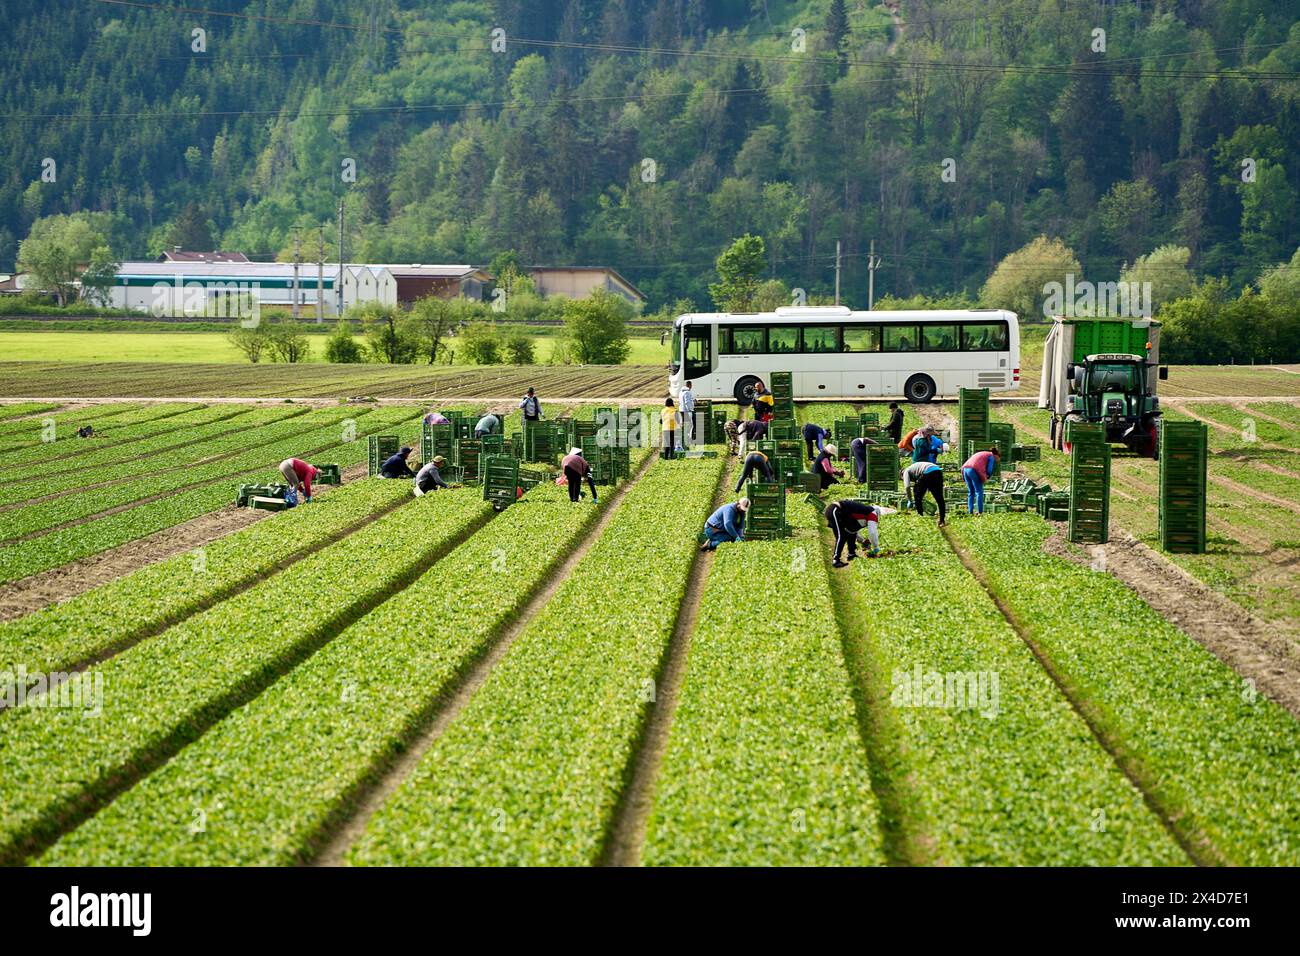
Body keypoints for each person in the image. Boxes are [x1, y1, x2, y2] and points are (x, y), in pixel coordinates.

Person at [824, 498, 880, 567]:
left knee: (851, 533)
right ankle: (836, 560)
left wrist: (863, 541)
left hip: (841, 514)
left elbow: (853, 531)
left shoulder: (862, 513)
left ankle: (851, 554)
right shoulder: (872, 513)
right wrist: (875, 547)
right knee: (841, 536)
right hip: (834, 510)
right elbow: (872, 533)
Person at [903, 460, 947, 525]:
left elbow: (907, 487)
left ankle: (920, 517)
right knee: (939, 498)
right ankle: (942, 520)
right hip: (938, 471)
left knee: (917, 496)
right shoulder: (914, 468)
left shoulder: (906, 471)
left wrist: (910, 500)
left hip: (927, 472)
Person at [962, 445, 1000, 515]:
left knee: (971, 492)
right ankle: (980, 512)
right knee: (979, 491)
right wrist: (988, 476)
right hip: (973, 470)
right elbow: (989, 470)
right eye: (998, 459)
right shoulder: (991, 456)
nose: (997, 461)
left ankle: (970, 511)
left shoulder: (983, 453)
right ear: (996, 455)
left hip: (965, 469)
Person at [679, 380, 696, 447]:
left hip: (682, 410)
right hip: (687, 411)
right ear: (689, 385)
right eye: (691, 385)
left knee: (684, 425)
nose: (691, 386)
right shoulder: (687, 392)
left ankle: (682, 440)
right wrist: (691, 409)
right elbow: (687, 402)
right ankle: (689, 440)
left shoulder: (681, 392)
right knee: (691, 426)